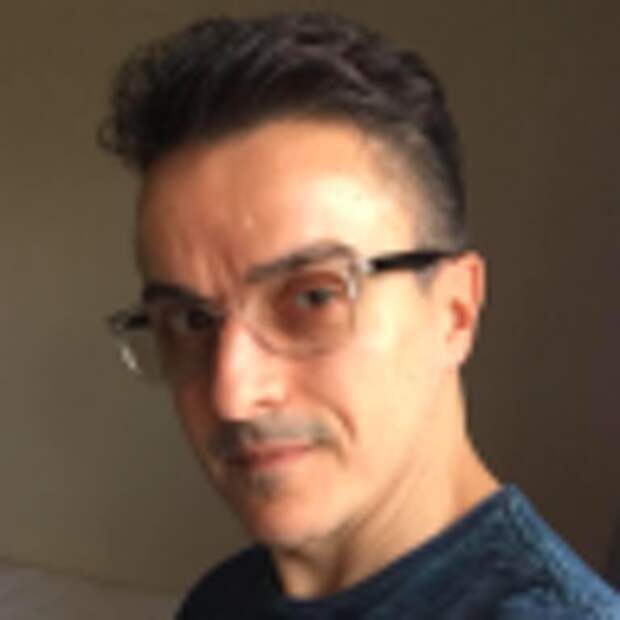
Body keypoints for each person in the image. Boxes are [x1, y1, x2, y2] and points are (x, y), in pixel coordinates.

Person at [99, 12, 620, 619]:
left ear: (455, 312)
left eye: (313, 298)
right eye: (190, 321)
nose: (231, 395)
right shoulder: (223, 599)